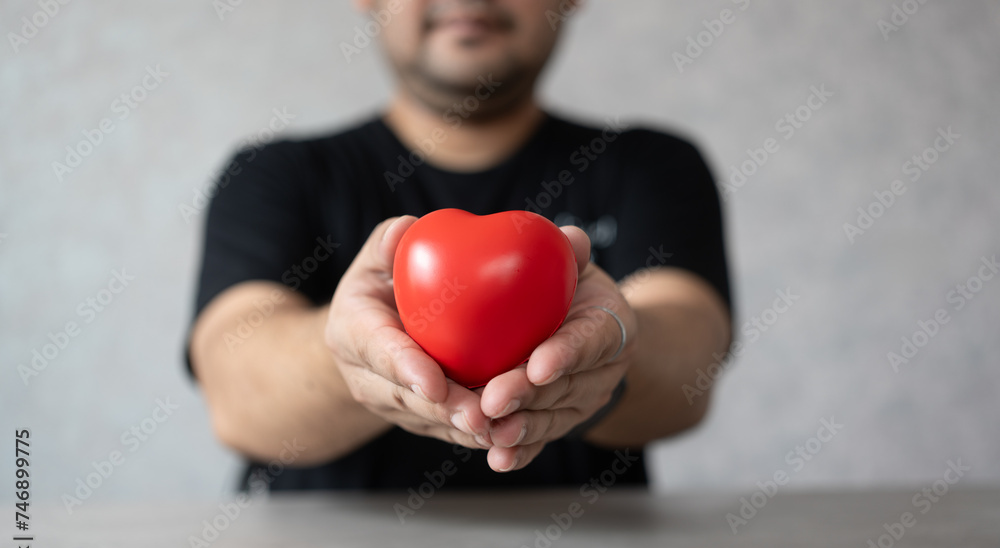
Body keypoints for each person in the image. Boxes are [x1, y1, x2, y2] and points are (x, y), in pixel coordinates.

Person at [185, 0, 733, 491]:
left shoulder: (651, 167)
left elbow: (692, 367)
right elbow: (234, 397)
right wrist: (357, 357)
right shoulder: (275, 174)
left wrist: (611, 351)